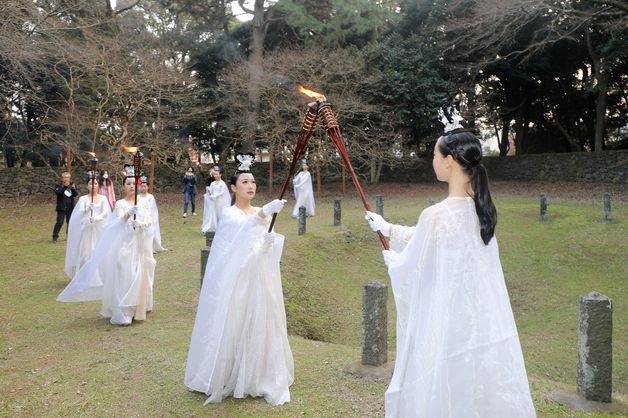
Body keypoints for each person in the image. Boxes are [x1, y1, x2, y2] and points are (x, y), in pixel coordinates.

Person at [365, 128, 536, 417]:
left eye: (434, 154)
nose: (432, 159)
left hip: (448, 322)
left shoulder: (436, 215)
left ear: (448, 161)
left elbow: (411, 265)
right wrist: (388, 228)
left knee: (448, 386)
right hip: (481, 323)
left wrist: (393, 261)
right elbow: (429, 237)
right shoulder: (482, 211)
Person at [185, 154, 293, 406]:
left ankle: (258, 374)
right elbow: (233, 245)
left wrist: (269, 243)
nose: (250, 185)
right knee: (236, 323)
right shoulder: (230, 214)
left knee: (261, 322)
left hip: (259, 278)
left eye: (253, 181)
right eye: (244, 182)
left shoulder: (260, 212)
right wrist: (262, 215)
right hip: (237, 282)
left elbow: (267, 242)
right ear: (233, 187)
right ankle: (230, 372)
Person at [57, 170, 156, 326]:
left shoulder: (144, 202)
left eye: (133, 184)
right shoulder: (120, 204)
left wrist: (141, 223)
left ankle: (138, 307)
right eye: (127, 184)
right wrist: (128, 215)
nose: (131, 186)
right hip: (125, 244)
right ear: (123, 187)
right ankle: (124, 311)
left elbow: (149, 220)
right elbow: (117, 222)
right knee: (125, 273)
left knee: (141, 273)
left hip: (140, 243)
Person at [64, 173, 110, 279]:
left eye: (95, 183)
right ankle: (86, 275)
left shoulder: (103, 198)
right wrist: (87, 209)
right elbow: (79, 212)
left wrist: (97, 218)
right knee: (86, 252)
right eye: (90, 183)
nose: (93, 185)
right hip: (87, 229)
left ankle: (100, 275)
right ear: (87, 186)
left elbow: (105, 212)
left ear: (98, 185)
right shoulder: (83, 199)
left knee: (98, 250)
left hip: (99, 228)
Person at [138, 176, 166, 252]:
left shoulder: (150, 197)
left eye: (145, 186)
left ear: (147, 187)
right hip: (140, 216)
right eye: (142, 186)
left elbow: (153, 208)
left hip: (149, 215)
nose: (143, 188)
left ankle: (153, 247)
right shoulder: (138, 197)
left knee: (151, 231)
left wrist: (151, 217)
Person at [201, 166, 230, 234]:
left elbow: (222, 192)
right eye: (214, 174)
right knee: (213, 214)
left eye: (217, 174)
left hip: (220, 201)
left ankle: (222, 227)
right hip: (213, 201)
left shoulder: (222, 183)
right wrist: (208, 190)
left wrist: (215, 196)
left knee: (220, 213)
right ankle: (213, 226)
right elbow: (211, 190)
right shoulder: (212, 183)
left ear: (220, 174)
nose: (215, 176)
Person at [52, 171, 78, 243]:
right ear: (62, 178)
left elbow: (75, 194)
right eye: (65, 177)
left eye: (68, 177)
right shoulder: (58, 185)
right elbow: (58, 193)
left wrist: (72, 188)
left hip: (70, 207)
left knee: (70, 222)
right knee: (60, 222)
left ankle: (69, 237)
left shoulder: (72, 184)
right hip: (61, 207)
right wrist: (65, 187)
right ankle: (55, 236)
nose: (67, 179)